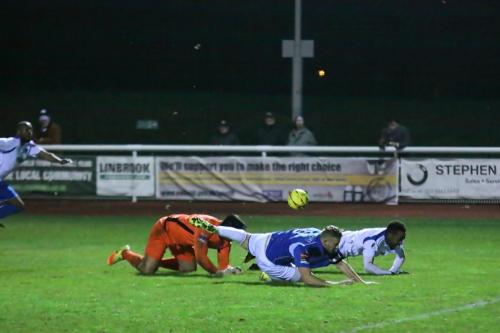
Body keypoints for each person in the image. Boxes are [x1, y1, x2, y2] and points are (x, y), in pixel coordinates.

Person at [189, 217, 377, 287]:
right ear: (326, 240)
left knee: (245, 238)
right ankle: (268, 276)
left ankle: (215, 228)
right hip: (267, 259)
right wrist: (336, 284)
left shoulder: (317, 232)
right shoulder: (304, 247)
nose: (337, 247)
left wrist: (360, 282)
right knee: (296, 275)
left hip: (267, 238)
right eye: (335, 244)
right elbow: (307, 278)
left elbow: (340, 262)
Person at [107, 214, 246, 276]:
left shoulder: (226, 239)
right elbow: (201, 257)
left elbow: (223, 265)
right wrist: (216, 273)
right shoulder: (205, 227)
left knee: (188, 269)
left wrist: (229, 270)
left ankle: (155, 262)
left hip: (183, 240)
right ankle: (125, 253)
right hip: (164, 229)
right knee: (147, 270)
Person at [0, 121, 72, 220]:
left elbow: (45, 154)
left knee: (18, 205)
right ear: (19, 132)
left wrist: (60, 161)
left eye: (31, 130)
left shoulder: (29, 146)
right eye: (26, 130)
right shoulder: (10, 142)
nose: (30, 132)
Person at [336, 220, 407, 275]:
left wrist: (393, 270)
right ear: (390, 235)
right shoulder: (372, 241)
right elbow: (368, 267)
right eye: (400, 239)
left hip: (344, 240)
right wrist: (388, 273)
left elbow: (401, 257)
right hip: (338, 244)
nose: (401, 242)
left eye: (402, 238)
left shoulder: (391, 236)